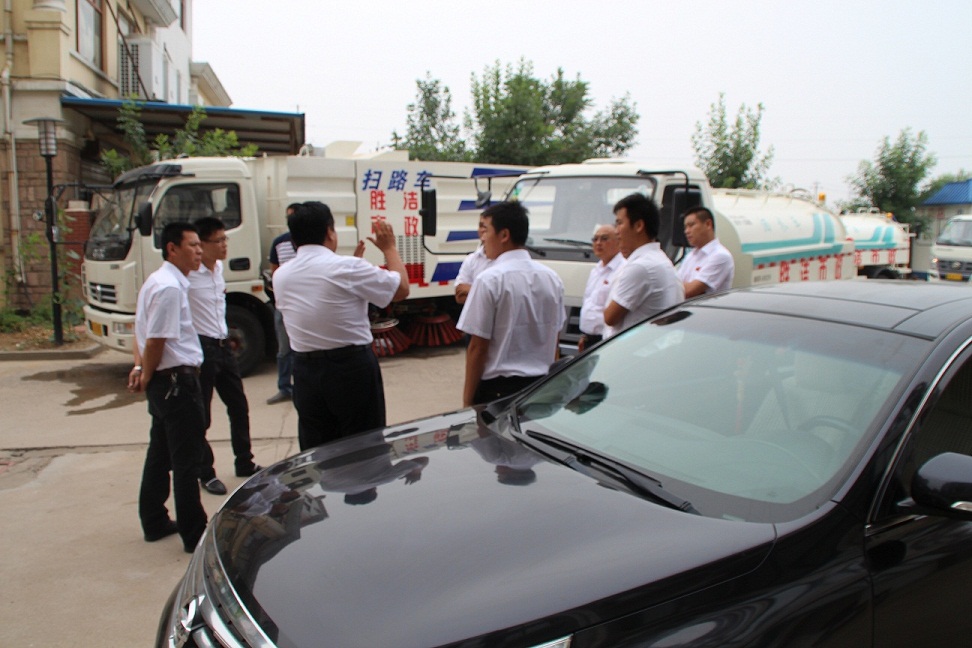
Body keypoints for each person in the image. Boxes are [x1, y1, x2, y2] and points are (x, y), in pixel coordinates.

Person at [272, 201, 409, 450]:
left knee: (317, 448)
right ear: (329, 231)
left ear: (293, 238)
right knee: (364, 447)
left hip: (305, 371)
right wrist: (389, 248)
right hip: (350, 369)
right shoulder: (347, 267)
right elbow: (401, 289)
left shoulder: (281, 275)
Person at [128, 222, 208, 553]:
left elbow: (140, 332)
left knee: (160, 454)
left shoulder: (158, 281)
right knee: (187, 461)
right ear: (172, 249)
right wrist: (146, 375)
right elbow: (155, 340)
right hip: (176, 383)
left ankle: (154, 520)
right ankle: (195, 534)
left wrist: (141, 369)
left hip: (166, 382)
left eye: (200, 245)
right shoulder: (169, 288)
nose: (199, 251)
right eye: (192, 245)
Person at [456, 201, 565, 406]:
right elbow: (555, 338)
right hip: (542, 387)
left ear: (504, 235)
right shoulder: (552, 278)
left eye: (486, 231)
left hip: (499, 391)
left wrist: (467, 402)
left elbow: (478, 348)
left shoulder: (489, 280)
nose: (483, 238)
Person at [187, 217, 262, 497]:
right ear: (201, 244)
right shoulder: (187, 276)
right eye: (218, 241)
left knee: (238, 405)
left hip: (223, 345)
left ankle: (245, 461)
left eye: (225, 239)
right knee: (201, 415)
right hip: (201, 349)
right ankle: (205, 473)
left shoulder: (218, 269)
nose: (224, 245)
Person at [603, 193, 684, 337]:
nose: (616, 231)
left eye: (620, 223)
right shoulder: (659, 260)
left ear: (639, 226)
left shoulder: (641, 267)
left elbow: (610, 318)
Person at [266, 203, 300, 405]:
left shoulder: (310, 242)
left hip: (304, 305)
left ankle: (303, 386)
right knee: (284, 349)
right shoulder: (279, 243)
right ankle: (284, 387)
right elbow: (275, 271)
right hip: (284, 305)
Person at [578, 224, 624, 351]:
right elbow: (589, 304)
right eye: (595, 239)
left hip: (607, 340)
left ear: (618, 241)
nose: (598, 243)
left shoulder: (623, 269)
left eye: (604, 239)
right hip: (588, 339)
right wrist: (584, 335)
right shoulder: (596, 270)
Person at [677, 206, 735, 297]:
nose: (686, 231)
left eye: (691, 225)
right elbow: (676, 284)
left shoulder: (720, 256)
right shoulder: (691, 256)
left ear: (708, 224)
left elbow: (689, 291)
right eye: (685, 227)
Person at [454, 219, 490, 304]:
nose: (483, 230)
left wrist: (470, 289)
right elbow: (459, 296)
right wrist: (487, 293)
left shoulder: (506, 260)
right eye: (480, 226)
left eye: (486, 227)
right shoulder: (471, 259)